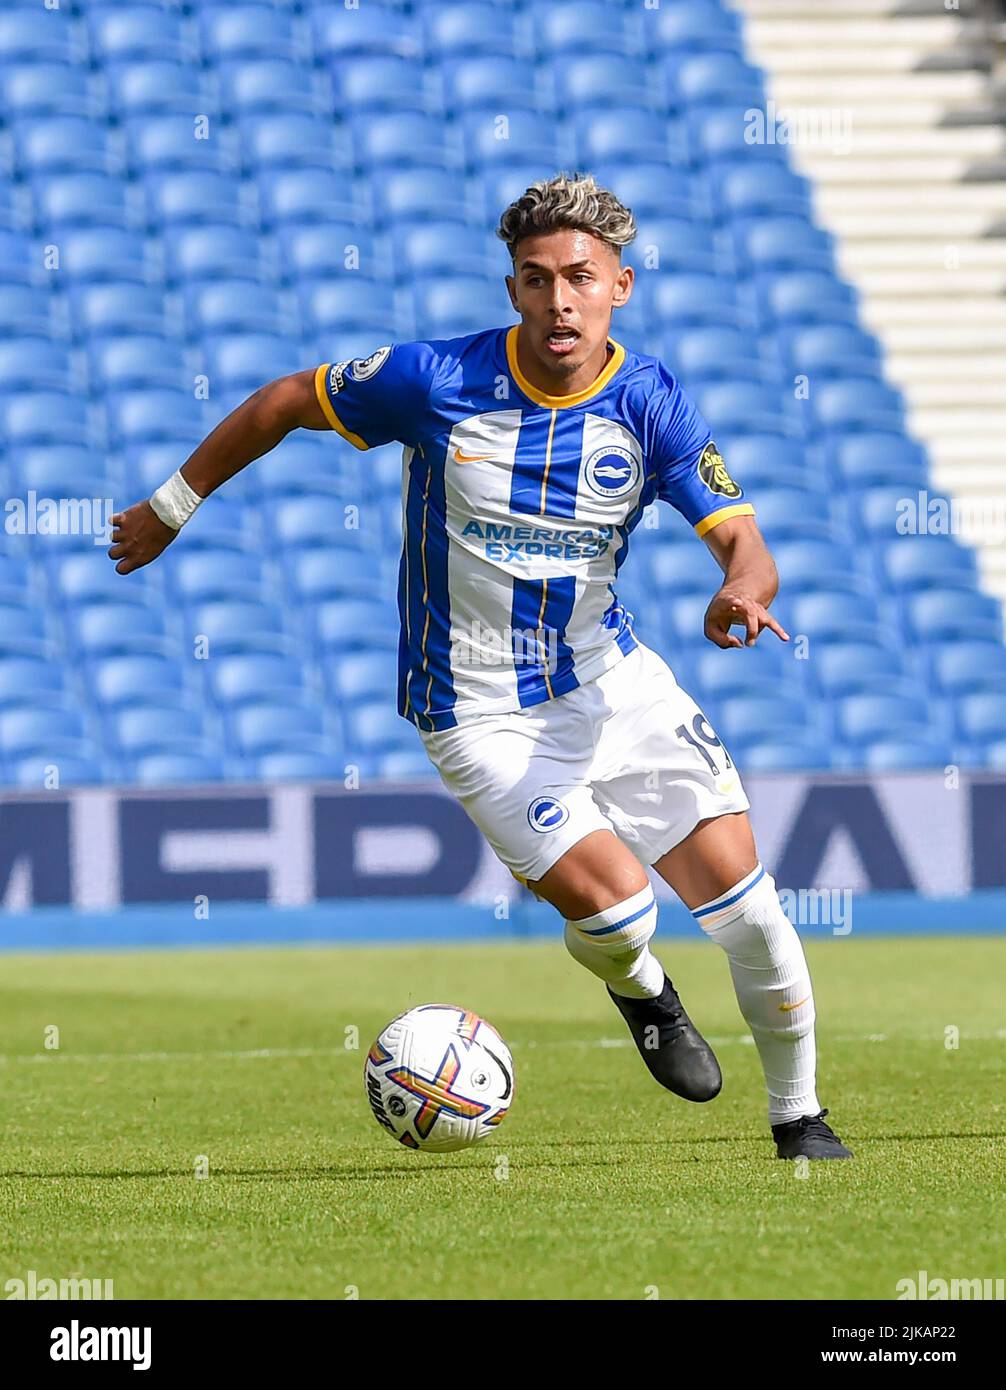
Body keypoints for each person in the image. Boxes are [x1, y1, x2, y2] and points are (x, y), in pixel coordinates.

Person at [108, 172, 851, 1160]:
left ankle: (798, 1118)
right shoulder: (433, 381)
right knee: (622, 911)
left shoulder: (650, 401)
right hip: (475, 708)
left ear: (618, 286)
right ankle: (641, 992)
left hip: (613, 683)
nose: (559, 300)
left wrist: (744, 588)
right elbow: (289, 398)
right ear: (513, 292)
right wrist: (171, 504)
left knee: (751, 912)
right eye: (536, 279)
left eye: (579, 277)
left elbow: (741, 537)